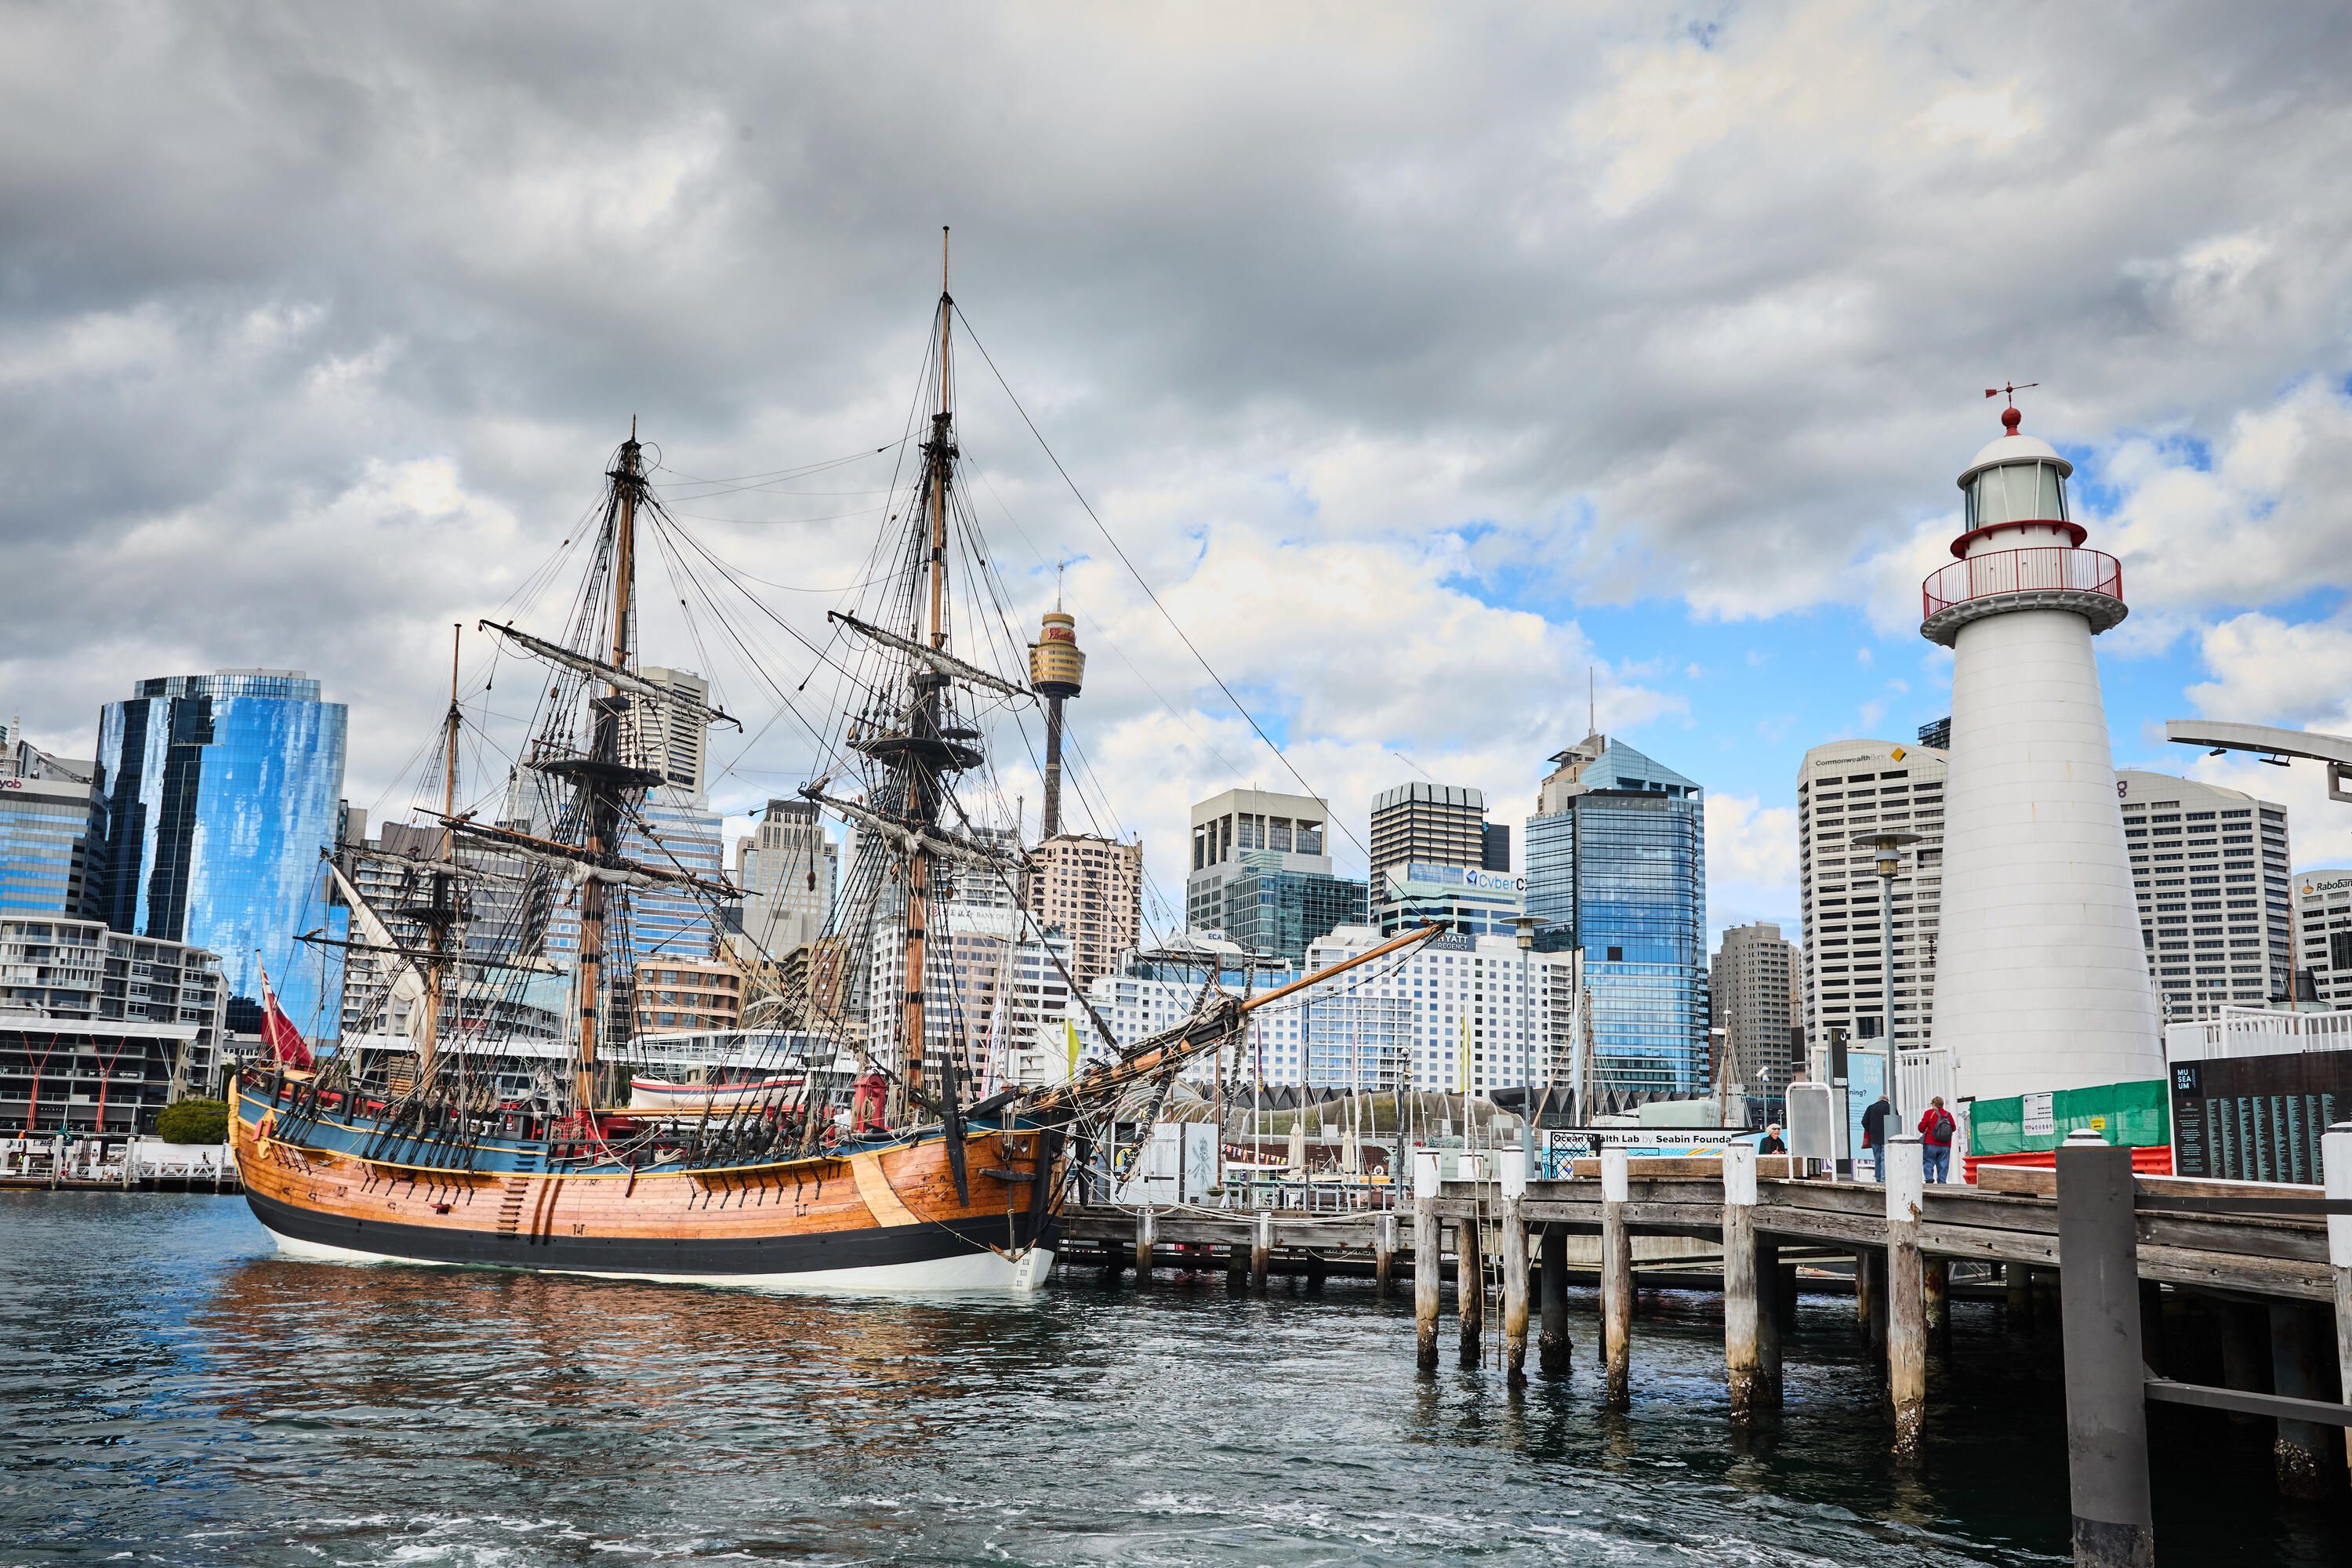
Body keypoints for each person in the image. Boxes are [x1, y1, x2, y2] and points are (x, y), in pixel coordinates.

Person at [1918, 1095, 1957, 1184]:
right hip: (1945, 1145)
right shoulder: (1948, 1115)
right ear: (1942, 1105)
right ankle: (1942, 1181)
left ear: (1934, 1104)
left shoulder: (1929, 1113)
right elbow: (1953, 1128)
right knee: (1943, 1164)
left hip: (1931, 1143)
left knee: (1928, 1161)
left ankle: (1929, 1178)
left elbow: (1921, 1128)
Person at [1860, 1093, 1892, 1181]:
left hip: (1874, 1137)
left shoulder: (1871, 1108)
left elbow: (1864, 1121)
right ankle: (1883, 1178)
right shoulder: (1890, 1108)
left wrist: (1870, 1130)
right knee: (1884, 1158)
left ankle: (1878, 1177)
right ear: (1887, 1101)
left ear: (1879, 1100)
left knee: (1877, 1157)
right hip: (1886, 1137)